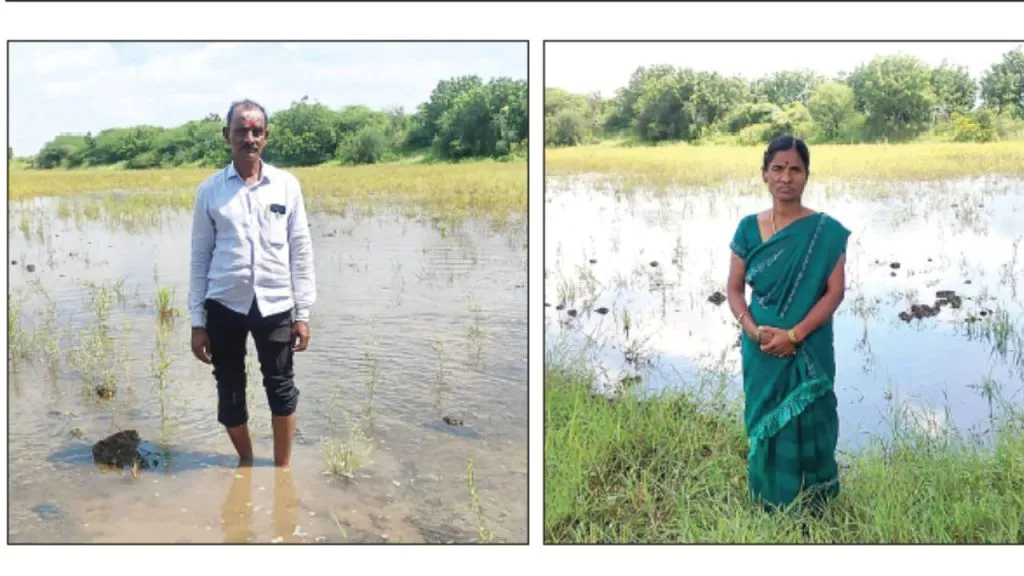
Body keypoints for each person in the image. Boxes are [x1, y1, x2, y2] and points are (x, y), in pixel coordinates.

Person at [189, 99, 316, 468]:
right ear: (226, 134)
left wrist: (303, 313)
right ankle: (246, 462)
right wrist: (198, 323)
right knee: (229, 392)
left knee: (281, 388)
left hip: (276, 304)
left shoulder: (287, 187)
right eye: (242, 130)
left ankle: (281, 470)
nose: (249, 137)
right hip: (224, 305)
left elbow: (301, 251)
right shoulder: (209, 191)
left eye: (256, 131)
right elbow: (199, 259)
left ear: (266, 136)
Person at [726, 135, 850, 512]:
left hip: (808, 344)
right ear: (764, 175)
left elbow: (834, 292)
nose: (786, 177)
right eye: (778, 168)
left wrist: (794, 335)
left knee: (813, 417)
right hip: (761, 347)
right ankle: (770, 498)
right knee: (766, 420)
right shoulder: (748, 228)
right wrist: (751, 329)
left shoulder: (826, 232)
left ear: (806, 176)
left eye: (795, 169)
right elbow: (733, 290)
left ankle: (815, 501)